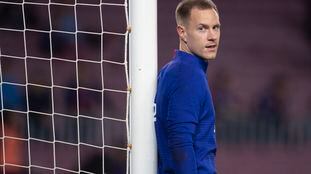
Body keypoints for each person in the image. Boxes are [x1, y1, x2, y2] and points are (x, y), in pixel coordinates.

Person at [154, 0, 221, 173]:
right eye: (202, 28)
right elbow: (180, 142)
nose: (212, 36)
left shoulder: (170, 70)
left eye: (216, 27)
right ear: (182, 32)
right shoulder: (188, 75)